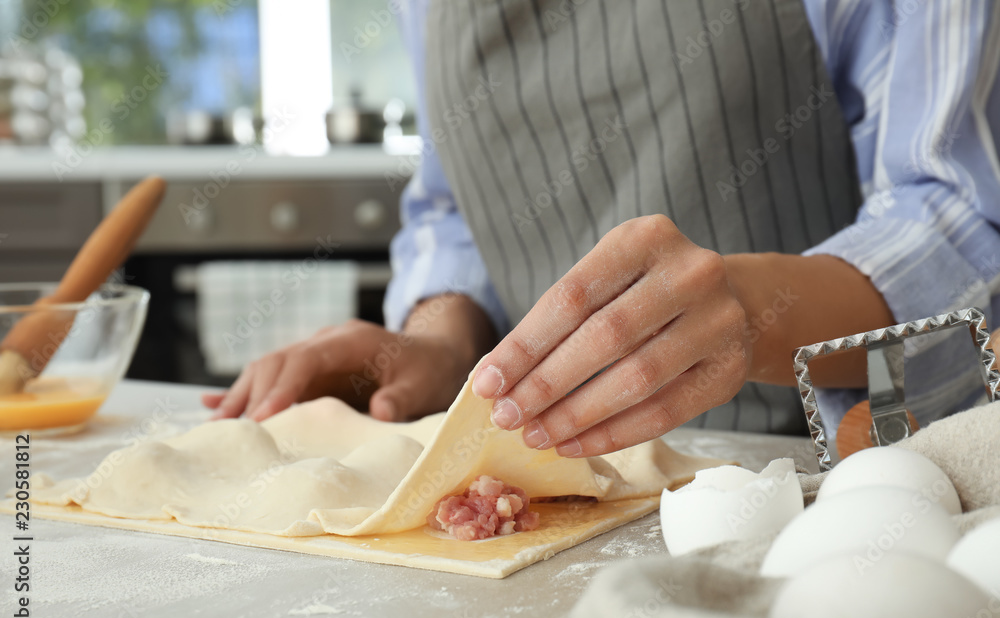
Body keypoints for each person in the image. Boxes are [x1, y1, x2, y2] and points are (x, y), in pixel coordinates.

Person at [204, 0, 1000, 458]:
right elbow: (454, 204)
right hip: (530, 488)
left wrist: (750, 312)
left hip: (817, 489)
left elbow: (965, 217)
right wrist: (441, 344)